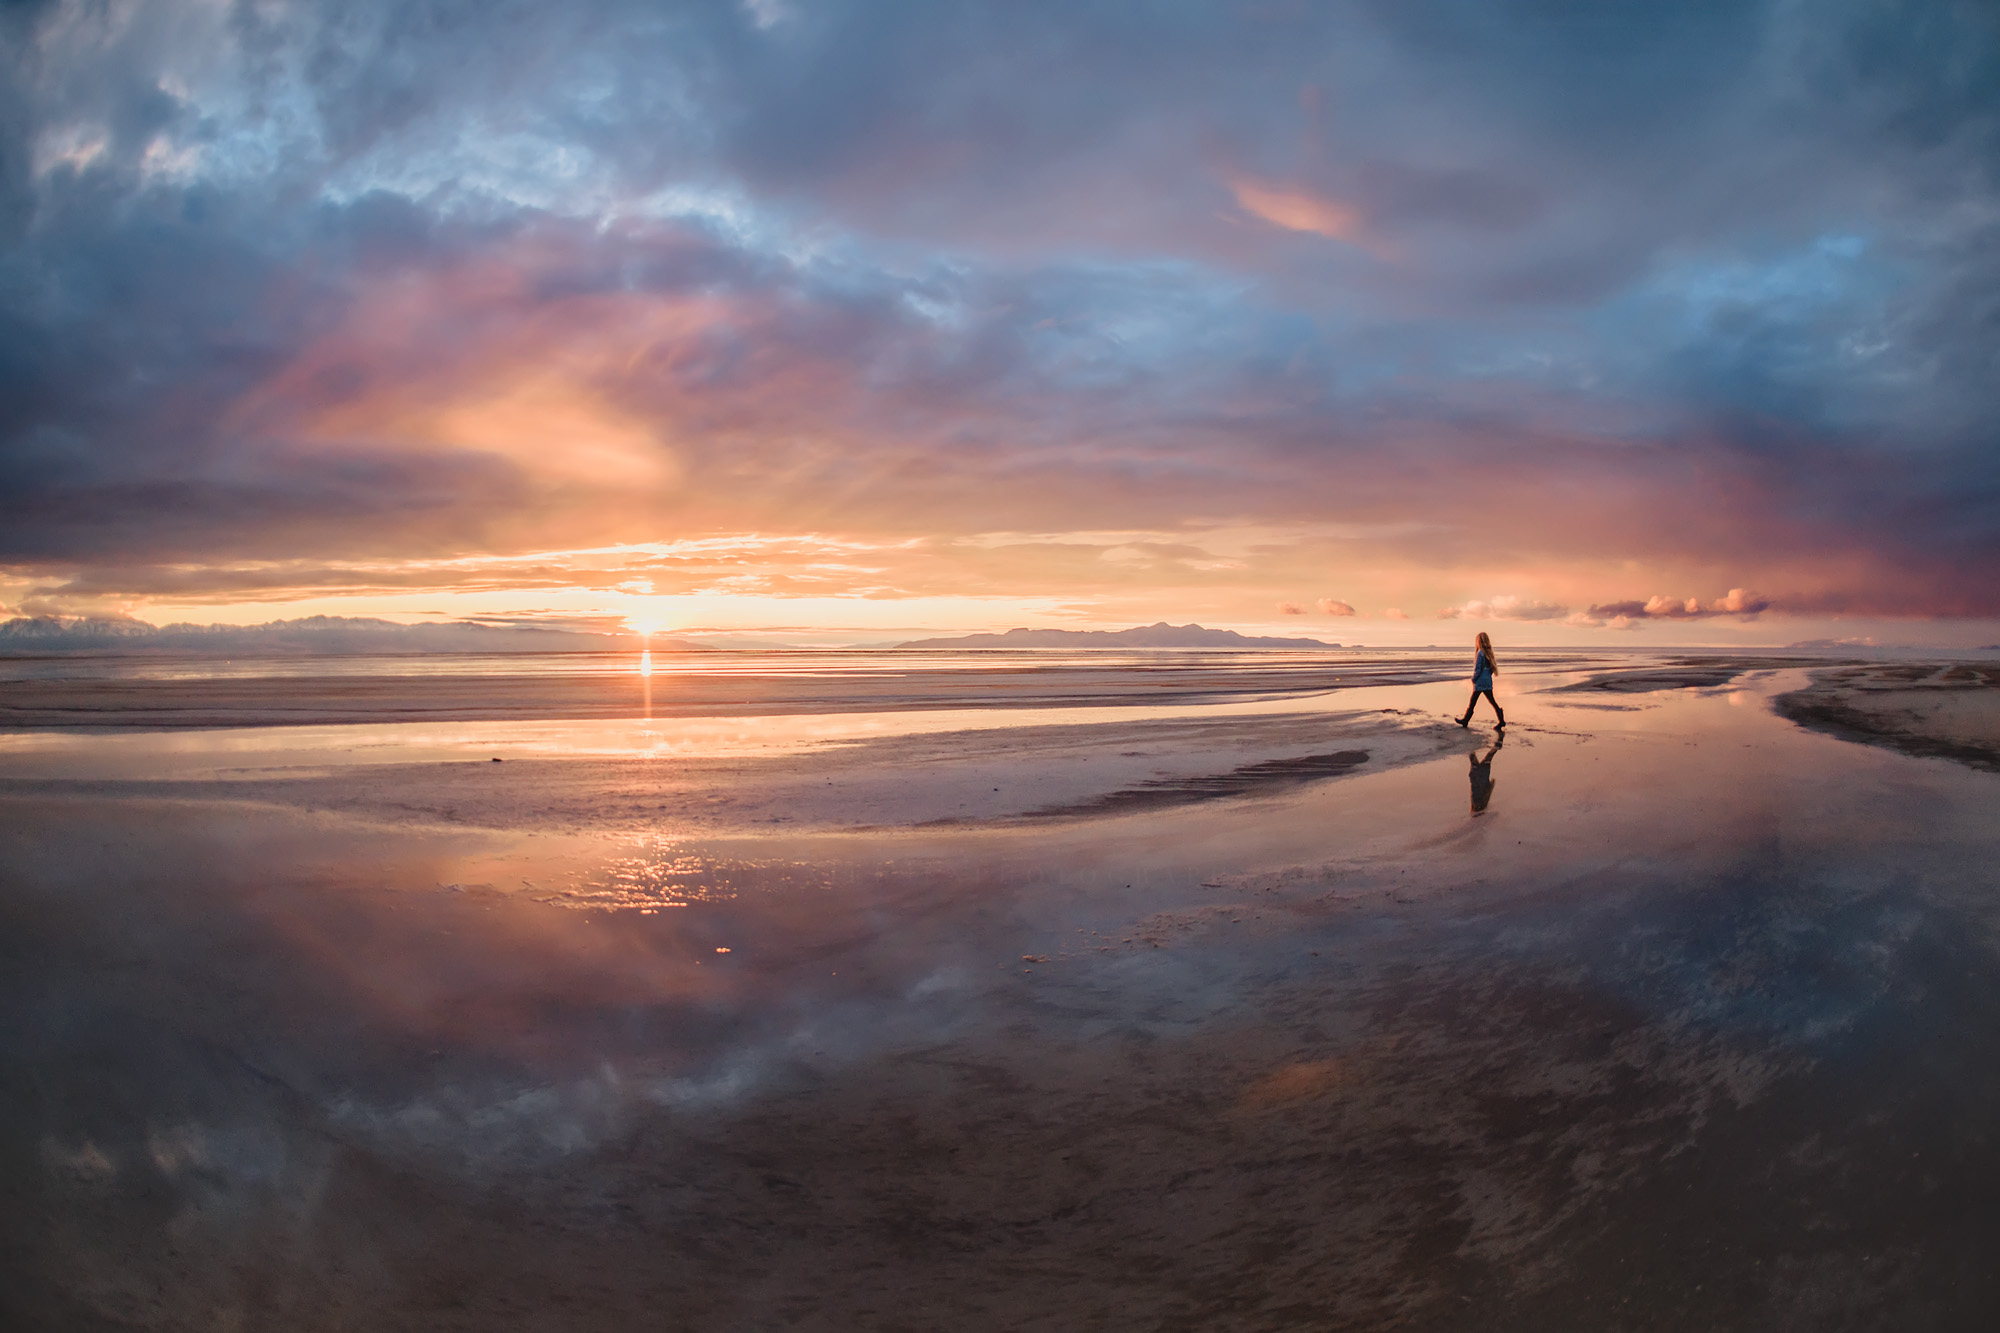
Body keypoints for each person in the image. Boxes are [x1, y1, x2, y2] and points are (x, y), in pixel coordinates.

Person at [1454, 631, 1505, 729]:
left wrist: (1474, 679)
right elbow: (1490, 669)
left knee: (1473, 701)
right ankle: (1501, 720)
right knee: (1492, 701)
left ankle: (1465, 720)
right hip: (1488, 681)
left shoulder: (1480, 653)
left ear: (1479, 641)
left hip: (1480, 681)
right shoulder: (1489, 653)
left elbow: (1478, 669)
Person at [1468, 733, 1502, 814]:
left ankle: (1498, 743)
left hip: (1481, 774)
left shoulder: (1481, 800)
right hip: (1479, 774)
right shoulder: (1478, 801)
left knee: (1487, 756)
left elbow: (1482, 787)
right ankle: (1498, 743)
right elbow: (1475, 786)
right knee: (1474, 756)